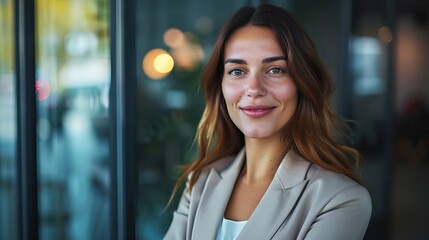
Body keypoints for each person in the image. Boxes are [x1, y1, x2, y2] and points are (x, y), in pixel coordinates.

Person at [164, 4, 372, 240]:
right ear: (220, 86)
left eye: (275, 70)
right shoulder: (201, 181)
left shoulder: (340, 199)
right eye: (237, 71)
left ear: (302, 83)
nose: (254, 89)